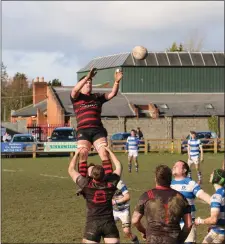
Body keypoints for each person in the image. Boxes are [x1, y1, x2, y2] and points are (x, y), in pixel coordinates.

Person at [70, 67, 123, 181]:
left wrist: (116, 81)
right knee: (83, 152)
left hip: (97, 130)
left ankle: (109, 180)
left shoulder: (97, 97)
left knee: (104, 151)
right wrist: (87, 76)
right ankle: (83, 180)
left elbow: (112, 93)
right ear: (81, 84)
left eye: (90, 82)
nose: (88, 83)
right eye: (86, 82)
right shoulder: (77, 97)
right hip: (83, 130)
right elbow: (74, 90)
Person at [68, 146, 123, 244]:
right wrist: (109, 151)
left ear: (92, 175)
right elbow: (119, 166)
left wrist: (76, 154)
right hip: (109, 224)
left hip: (92, 224)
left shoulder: (86, 185)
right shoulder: (111, 183)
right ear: (104, 175)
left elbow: (71, 169)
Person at [132, 165, 192, 244]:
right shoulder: (180, 197)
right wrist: (179, 240)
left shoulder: (147, 195)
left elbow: (135, 220)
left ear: (155, 179)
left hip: (152, 240)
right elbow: (189, 224)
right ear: (170, 179)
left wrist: (145, 232)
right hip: (173, 240)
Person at [171, 160, 211, 244]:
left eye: (177, 166)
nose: (174, 167)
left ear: (184, 170)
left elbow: (204, 196)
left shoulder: (191, 183)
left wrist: (217, 204)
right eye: (174, 165)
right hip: (171, 225)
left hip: (187, 226)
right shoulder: (168, 184)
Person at [195, 169, 225, 244]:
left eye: (212, 174)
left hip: (219, 233)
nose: (210, 175)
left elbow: (213, 219)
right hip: (217, 230)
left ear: (216, 178)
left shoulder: (217, 196)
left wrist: (200, 221)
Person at [112, 179, 139, 244]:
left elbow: (127, 196)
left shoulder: (119, 182)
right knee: (109, 231)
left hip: (124, 210)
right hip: (113, 210)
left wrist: (115, 201)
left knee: (126, 231)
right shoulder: (104, 182)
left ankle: (135, 240)